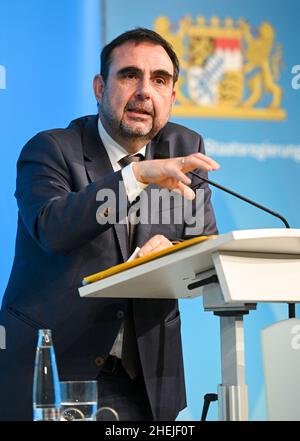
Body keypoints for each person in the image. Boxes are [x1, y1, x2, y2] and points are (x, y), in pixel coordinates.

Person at [0, 28, 219, 421]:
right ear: (100, 87)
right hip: (59, 372)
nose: (144, 91)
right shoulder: (51, 149)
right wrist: (137, 177)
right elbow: (53, 228)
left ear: (173, 96)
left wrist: (170, 258)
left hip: (149, 382)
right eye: (129, 75)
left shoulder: (185, 148)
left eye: (159, 80)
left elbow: (205, 250)